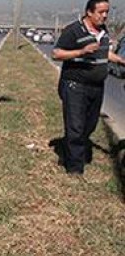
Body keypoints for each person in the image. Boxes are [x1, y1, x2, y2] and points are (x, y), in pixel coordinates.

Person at [52, 0, 125, 175]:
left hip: (97, 87)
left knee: (89, 125)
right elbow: (56, 53)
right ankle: (75, 169)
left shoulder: (103, 32)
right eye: (101, 12)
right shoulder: (73, 30)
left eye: (106, 12)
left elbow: (104, 52)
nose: (105, 16)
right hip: (75, 86)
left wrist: (121, 60)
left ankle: (75, 152)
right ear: (89, 12)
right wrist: (81, 52)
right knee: (75, 126)